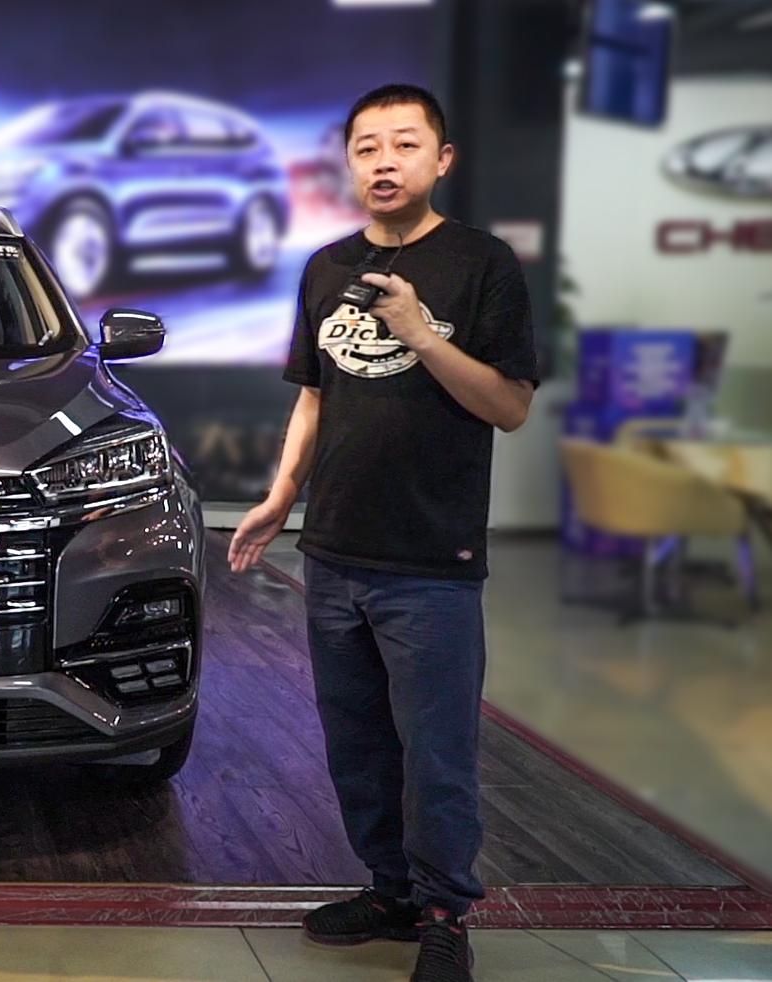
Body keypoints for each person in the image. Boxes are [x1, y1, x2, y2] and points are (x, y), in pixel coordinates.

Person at [228, 83, 538, 982]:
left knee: (436, 755)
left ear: (442, 160)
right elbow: (315, 396)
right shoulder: (327, 267)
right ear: (349, 165)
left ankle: (444, 913)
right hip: (333, 553)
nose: (384, 162)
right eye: (367, 147)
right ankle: (391, 892)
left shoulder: (482, 265)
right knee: (357, 746)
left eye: (404, 144)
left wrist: (418, 332)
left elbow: (510, 407)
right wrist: (283, 494)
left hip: (432, 560)